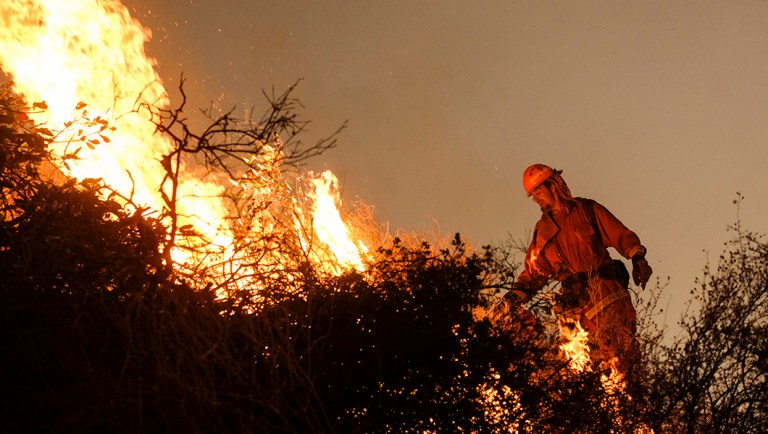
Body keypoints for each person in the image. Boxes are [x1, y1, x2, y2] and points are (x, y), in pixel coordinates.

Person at [506, 164, 653, 380]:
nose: (535, 199)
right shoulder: (543, 231)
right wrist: (511, 299)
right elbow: (533, 274)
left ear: (553, 186)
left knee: (621, 366)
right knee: (581, 373)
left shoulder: (586, 210)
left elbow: (621, 235)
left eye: (537, 192)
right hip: (575, 312)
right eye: (532, 195)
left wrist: (638, 258)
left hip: (608, 298)